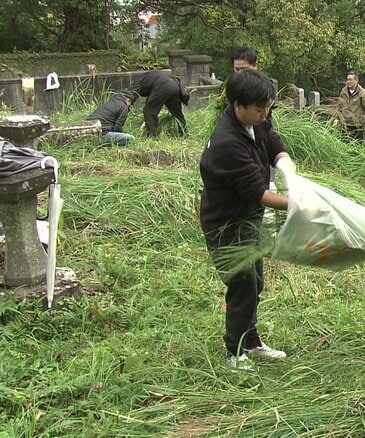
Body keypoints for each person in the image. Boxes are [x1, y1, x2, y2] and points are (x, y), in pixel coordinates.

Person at [199, 69, 297, 370]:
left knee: (255, 282)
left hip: (248, 221)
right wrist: (299, 204)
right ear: (237, 105)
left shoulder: (256, 121)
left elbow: (273, 142)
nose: (265, 114)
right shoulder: (227, 143)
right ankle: (235, 352)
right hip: (227, 225)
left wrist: (285, 167)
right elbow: (259, 193)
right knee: (242, 285)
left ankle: (252, 341)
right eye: (259, 108)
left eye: (267, 106)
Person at [127, 69, 187, 137]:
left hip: (162, 86)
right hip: (175, 86)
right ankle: (184, 133)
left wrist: (127, 106)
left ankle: (152, 136)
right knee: (177, 113)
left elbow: (129, 97)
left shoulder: (137, 83)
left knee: (149, 112)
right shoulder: (148, 77)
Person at [337, 71, 365, 140]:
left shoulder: (362, 93)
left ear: (356, 80)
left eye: (350, 79)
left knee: (356, 145)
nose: (348, 81)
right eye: (347, 79)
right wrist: (337, 118)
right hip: (345, 124)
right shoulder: (344, 91)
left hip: (357, 125)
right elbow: (339, 106)